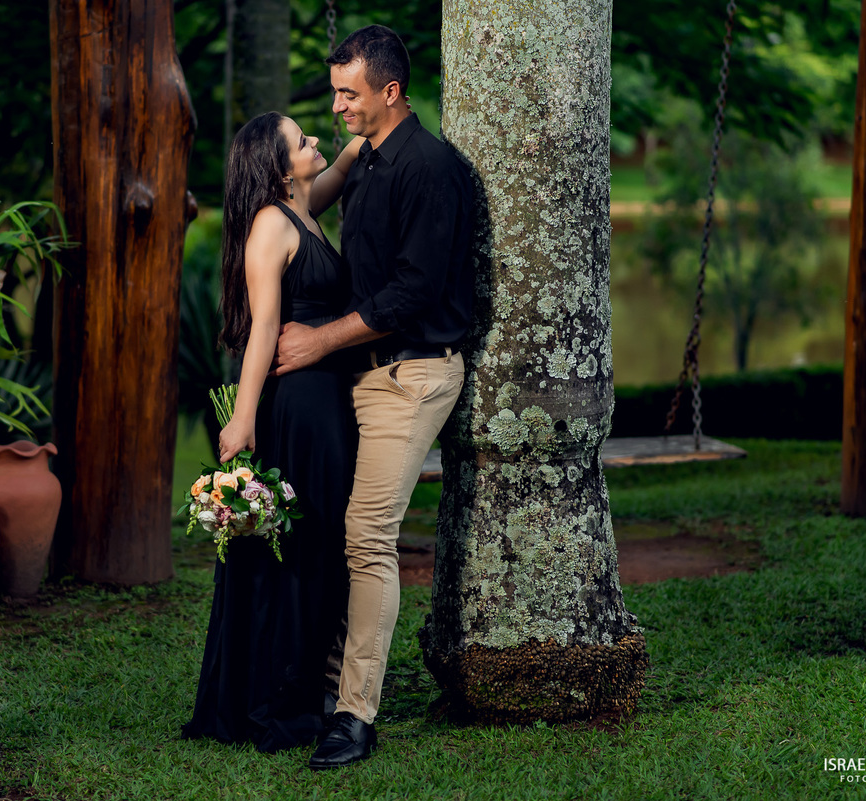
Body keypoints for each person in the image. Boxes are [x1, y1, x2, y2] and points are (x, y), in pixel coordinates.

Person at [273, 25, 473, 770]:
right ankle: (319, 690)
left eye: (348, 93)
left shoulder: (432, 168)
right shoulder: (366, 160)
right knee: (329, 527)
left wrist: (318, 341)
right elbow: (295, 207)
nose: (336, 107)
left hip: (412, 375)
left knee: (367, 534)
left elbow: (412, 292)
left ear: (391, 91)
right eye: (333, 92)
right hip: (360, 375)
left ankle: (355, 714)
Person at [181, 112, 366, 753]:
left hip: (327, 396)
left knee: (319, 543)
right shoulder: (270, 225)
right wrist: (242, 415)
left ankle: (305, 683)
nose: (316, 141)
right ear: (280, 166)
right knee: (299, 548)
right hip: (298, 404)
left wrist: (373, 126)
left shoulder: (304, 206)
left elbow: (340, 168)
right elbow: (263, 329)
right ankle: (279, 701)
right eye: (302, 140)